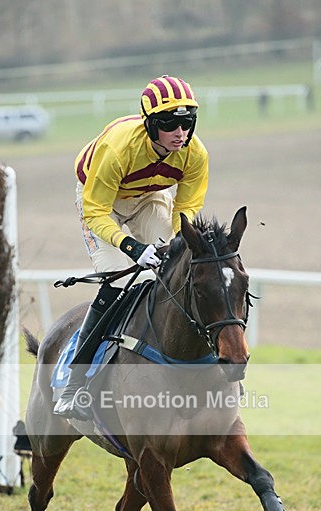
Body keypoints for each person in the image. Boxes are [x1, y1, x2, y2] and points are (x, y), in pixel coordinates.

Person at [54, 75, 209, 420]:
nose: (180, 132)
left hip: (150, 196)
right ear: (150, 124)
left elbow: (185, 213)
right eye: (170, 123)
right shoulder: (119, 148)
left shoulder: (195, 155)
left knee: (168, 269)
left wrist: (175, 246)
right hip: (101, 201)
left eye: (187, 122)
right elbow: (95, 212)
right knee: (121, 280)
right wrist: (132, 248)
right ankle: (74, 384)